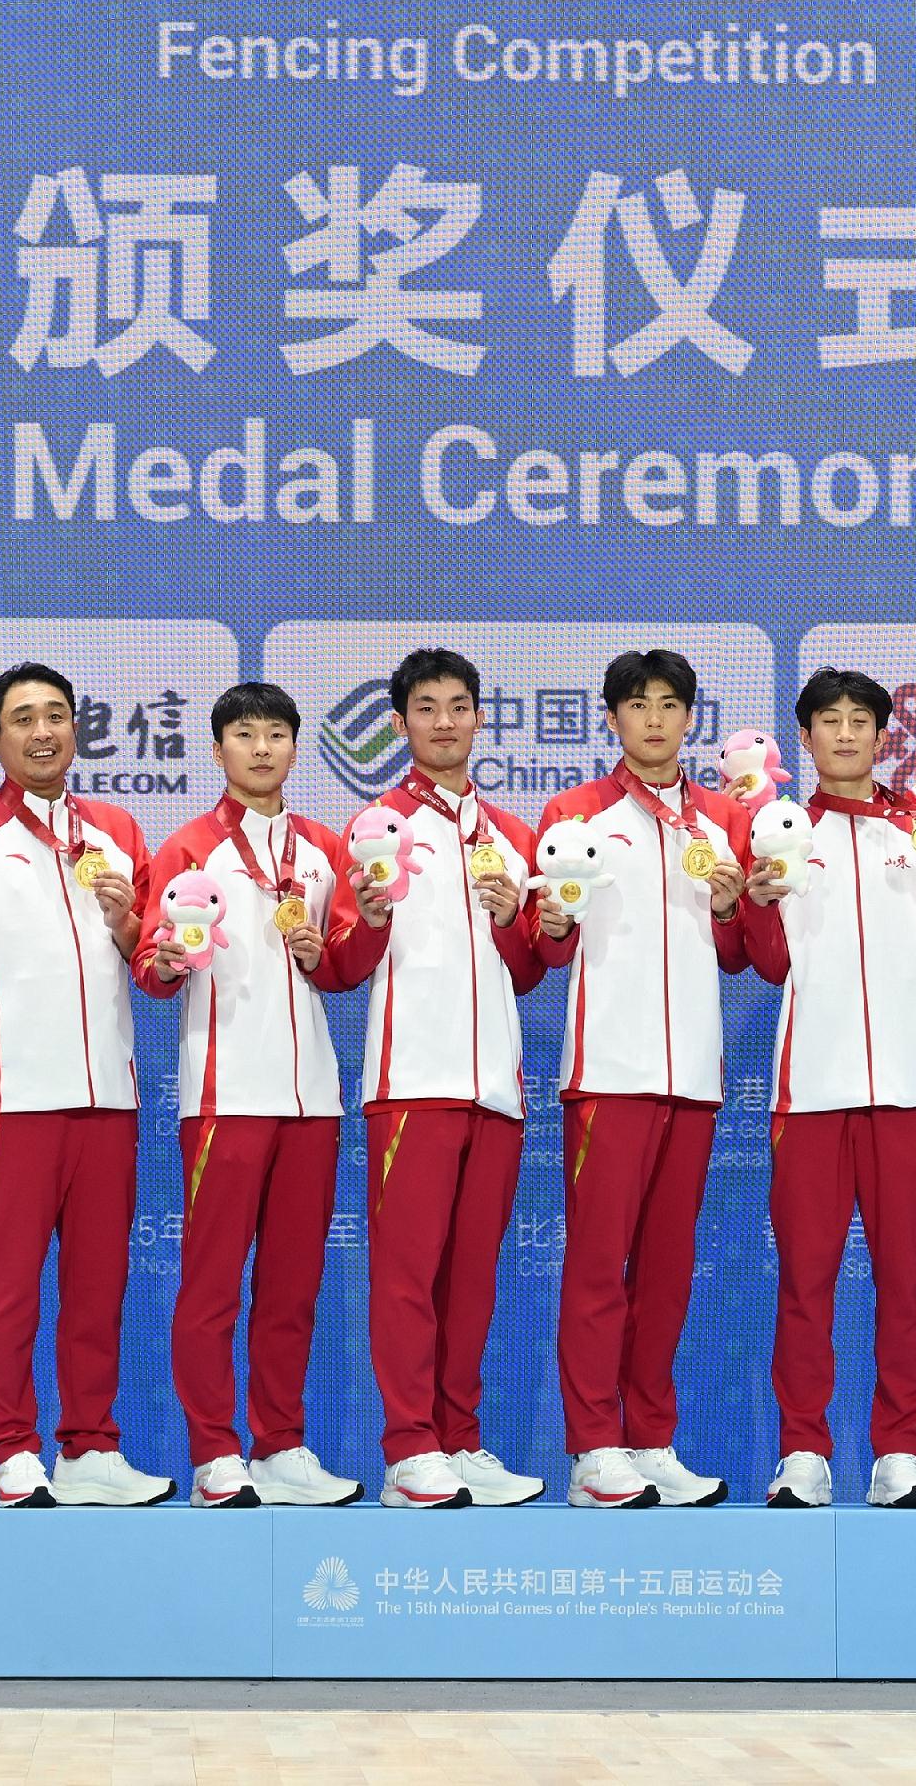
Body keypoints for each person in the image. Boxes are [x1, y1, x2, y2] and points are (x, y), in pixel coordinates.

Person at [322, 646, 573, 1508]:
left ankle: (460, 1438)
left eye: (458, 706)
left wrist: (514, 920)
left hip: (496, 1091)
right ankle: (407, 1449)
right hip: (411, 1083)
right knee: (406, 1274)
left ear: (478, 719)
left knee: (474, 1276)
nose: (443, 721)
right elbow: (345, 966)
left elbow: (534, 965)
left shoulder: (511, 834)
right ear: (399, 724)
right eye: (424, 707)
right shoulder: (373, 829)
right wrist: (373, 916)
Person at [740, 666, 916, 1509]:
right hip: (808, 1092)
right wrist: (758, 901)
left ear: (884, 737)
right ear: (804, 738)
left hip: (909, 1090)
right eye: (828, 722)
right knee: (804, 1280)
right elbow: (770, 963)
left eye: (860, 722)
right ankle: (803, 1451)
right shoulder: (781, 834)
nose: (845, 736)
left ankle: (898, 1453)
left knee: (902, 1277)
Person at [0, 661, 165, 1506]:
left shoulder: (118, 831)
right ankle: (12, 1448)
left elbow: (152, 961)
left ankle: (91, 1447)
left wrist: (135, 926)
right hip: (13, 1097)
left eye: (56, 715)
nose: (42, 731)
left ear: (78, 730)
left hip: (108, 1094)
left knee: (99, 1284)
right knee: (6, 1285)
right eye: (22, 718)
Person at [130, 682, 368, 1506]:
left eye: (275, 734)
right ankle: (214, 1454)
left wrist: (328, 944)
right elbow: (152, 972)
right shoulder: (189, 848)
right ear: (218, 748)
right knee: (212, 1281)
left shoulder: (326, 847)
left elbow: (343, 967)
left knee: (294, 1285)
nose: (261, 748)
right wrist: (164, 961)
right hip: (224, 1093)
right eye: (244, 734)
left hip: (312, 1097)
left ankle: (280, 1445)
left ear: (296, 747)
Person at [530, 648, 756, 1508]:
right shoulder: (574, 813)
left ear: (690, 718)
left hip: (694, 1077)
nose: (655, 720)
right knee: (598, 1268)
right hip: (609, 1073)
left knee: (666, 1270)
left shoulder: (722, 821)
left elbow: (742, 956)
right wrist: (551, 920)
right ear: (612, 719)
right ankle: (593, 1450)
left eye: (670, 705)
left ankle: (651, 1437)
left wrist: (736, 903)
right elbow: (548, 947)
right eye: (637, 705)